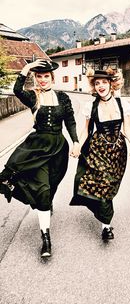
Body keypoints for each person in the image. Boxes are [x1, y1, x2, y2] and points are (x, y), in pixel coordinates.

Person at [0, 59, 80, 258]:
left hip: (59, 149)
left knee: (51, 186)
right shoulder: (32, 96)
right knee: (43, 192)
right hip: (36, 148)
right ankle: (45, 238)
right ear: (35, 78)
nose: (43, 80)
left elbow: (69, 120)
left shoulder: (62, 97)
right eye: (39, 77)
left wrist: (76, 141)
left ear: (52, 78)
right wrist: (26, 69)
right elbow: (17, 89)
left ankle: (47, 202)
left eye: (46, 76)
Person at [70, 67, 130, 241]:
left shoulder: (123, 104)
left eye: (104, 82)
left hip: (118, 151)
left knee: (110, 186)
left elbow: (127, 128)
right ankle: (106, 226)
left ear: (111, 84)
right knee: (103, 184)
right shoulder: (90, 106)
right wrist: (77, 145)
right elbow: (85, 130)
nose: (100, 86)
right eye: (97, 83)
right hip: (97, 149)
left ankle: (103, 217)